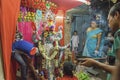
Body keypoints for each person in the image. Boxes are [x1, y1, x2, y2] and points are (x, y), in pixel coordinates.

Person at [81, 2, 120, 80]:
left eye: (109, 20)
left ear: (116, 15)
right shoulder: (88, 29)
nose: (109, 24)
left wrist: (96, 63)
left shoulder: (118, 34)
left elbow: (118, 72)